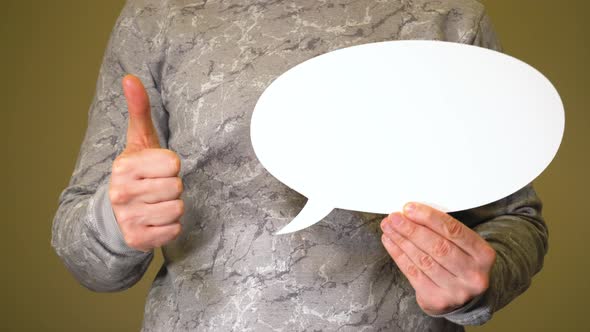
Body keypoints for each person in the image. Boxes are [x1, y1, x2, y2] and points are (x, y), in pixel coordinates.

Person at [51, 0, 548, 331]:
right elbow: (86, 255)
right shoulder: (159, 16)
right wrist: (115, 224)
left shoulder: (449, 17)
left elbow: (516, 221)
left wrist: (478, 285)